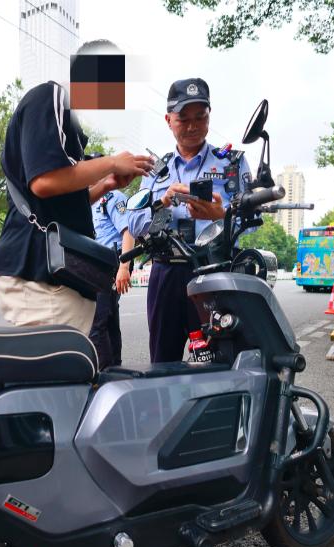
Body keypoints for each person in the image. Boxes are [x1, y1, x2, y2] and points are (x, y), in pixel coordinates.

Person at [0, 80, 153, 335]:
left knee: (66, 367)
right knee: (58, 370)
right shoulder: (51, 94)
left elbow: (57, 199)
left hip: (53, 271)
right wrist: (111, 163)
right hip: (41, 270)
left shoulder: (68, 121)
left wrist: (104, 186)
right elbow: (43, 181)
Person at [127, 78, 252, 362]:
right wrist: (163, 202)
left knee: (222, 357)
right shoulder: (156, 171)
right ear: (169, 120)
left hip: (215, 270)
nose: (193, 126)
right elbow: (134, 225)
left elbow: (253, 219)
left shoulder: (231, 164)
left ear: (209, 117)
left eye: (201, 117)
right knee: (162, 359)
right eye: (184, 119)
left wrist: (222, 216)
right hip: (166, 273)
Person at [88, 188, 135, 368]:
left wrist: (124, 266)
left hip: (110, 264)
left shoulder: (112, 197)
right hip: (96, 266)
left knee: (96, 324)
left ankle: (105, 374)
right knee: (108, 319)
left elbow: (128, 231)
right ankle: (115, 368)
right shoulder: (89, 200)